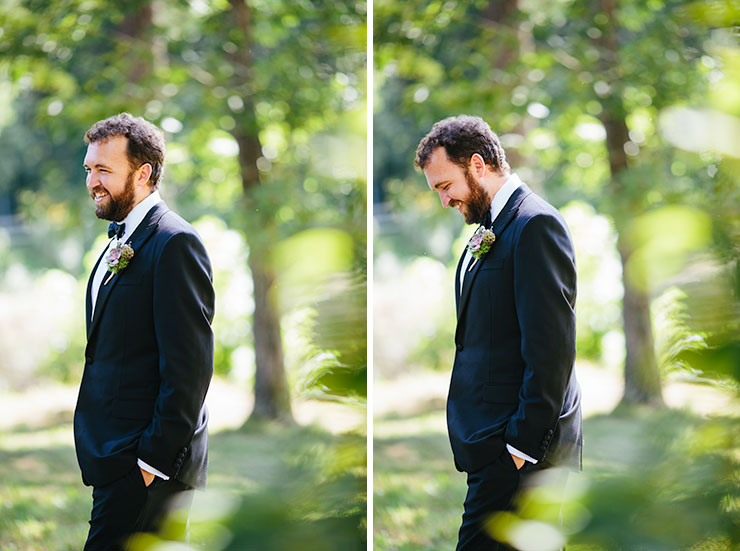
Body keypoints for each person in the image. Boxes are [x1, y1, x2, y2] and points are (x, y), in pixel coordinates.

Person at [415, 115, 582, 550]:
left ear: (477, 165)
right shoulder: (496, 224)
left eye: (445, 186)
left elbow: (551, 349)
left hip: (524, 449)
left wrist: (520, 447)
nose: (444, 200)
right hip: (496, 443)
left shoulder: (534, 225)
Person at [74, 113, 215, 550]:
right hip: (117, 454)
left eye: (104, 170)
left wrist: (151, 460)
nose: (93, 181)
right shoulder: (121, 239)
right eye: (88, 169)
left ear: (143, 173)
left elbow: (189, 366)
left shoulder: (174, 243)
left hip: (146, 462)